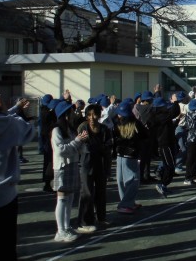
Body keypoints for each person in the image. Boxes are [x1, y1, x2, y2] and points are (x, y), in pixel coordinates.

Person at [0, 79, 35, 260]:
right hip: (5, 199)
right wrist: (7, 111)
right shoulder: (9, 123)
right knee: (5, 251)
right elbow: (29, 131)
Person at [51, 99, 89, 242]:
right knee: (62, 198)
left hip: (72, 164)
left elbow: (75, 146)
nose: (74, 113)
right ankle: (60, 230)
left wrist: (81, 142)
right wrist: (77, 141)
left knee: (70, 198)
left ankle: (67, 227)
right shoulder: (56, 130)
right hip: (61, 167)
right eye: (71, 111)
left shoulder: (70, 129)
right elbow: (60, 150)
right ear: (65, 114)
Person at [76, 104, 112, 232]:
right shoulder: (83, 127)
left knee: (101, 191)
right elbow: (81, 145)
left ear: (99, 115)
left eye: (94, 114)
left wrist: (108, 169)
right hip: (86, 163)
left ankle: (101, 217)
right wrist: (99, 147)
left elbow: (108, 149)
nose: (91, 117)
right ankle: (85, 221)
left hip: (100, 163)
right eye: (89, 115)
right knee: (87, 192)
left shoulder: (104, 129)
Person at [112, 101, 148, 214]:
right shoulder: (135, 123)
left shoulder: (117, 124)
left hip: (120, 154)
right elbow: (145, 135)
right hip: (131, 154)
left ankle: (127, 201)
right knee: (134, 180)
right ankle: (125, 204)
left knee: (121, 180)